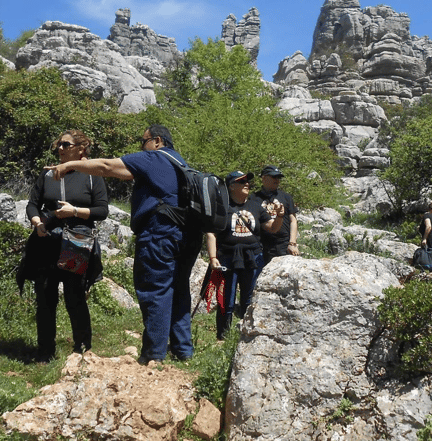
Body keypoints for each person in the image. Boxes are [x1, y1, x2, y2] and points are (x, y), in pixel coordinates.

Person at [45, 124, 201, 365]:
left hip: (160, 233)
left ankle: (153, 355)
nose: (142, 146)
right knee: (179, 289)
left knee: (155, 290)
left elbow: (108, 167)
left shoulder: (153, 157)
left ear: (157, 141)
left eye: (144, 140)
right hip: (189, 236)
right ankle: (184, 351)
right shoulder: (181, 163)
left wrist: (70, 165)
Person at [20, 130, 109, 361]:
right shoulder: (48, 174)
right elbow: (32, 204)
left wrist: (75, 211)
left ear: (81, 148)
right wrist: (37, 221)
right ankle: (45, 352)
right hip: (47, 241)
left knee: (75, 295)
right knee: (45, 296)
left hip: (76, 244)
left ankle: (82, 349)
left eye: (66, 144)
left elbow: (102, 210)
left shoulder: (92, 175)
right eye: (59, 145)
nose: (60, 148)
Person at [206, 171, 284, 340]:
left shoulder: (256, 206)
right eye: (241, 181)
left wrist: (280, 216)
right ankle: (223, 337)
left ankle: (245, 336)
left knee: (249, 300)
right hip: (228, 257)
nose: (247, 184)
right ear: (231, 186)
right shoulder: (222, 206)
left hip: (253, 257)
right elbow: (211, 234)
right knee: (226, 300)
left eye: (248, 181)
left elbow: (273, 228)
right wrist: (213, 258)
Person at [250, 165, 299, 264]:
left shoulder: (286, 196)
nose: (277, 180)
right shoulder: (254, 198)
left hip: (284, 244)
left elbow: (293, 220)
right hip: (263, 245)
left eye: (278, 177)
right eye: (273, 177)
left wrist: (292, 243)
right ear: (264, 178)